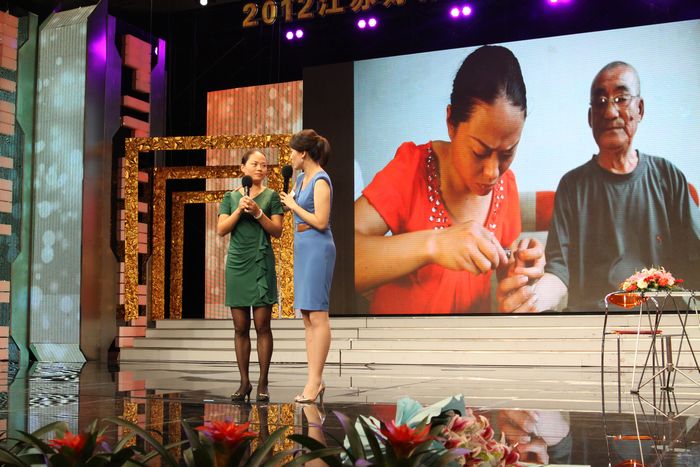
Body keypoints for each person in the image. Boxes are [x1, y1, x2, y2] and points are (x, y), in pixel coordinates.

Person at [354, 45, 545, 315]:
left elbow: (505, 272)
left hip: (465, 338)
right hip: (395, 337)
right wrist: (435, 243)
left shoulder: (507, 186)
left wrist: (520, 272)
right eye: (479, 151)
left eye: (507, 153)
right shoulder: (413, 168)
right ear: (451, 124)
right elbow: (336, 257)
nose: (493, 172)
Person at [535, 62, 700, 311]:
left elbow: (695, 257)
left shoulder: (668, 177)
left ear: (639, 109)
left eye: (621, 99)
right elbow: (558, 271)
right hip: (594, 323)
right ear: (590, 117)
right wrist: (532, 300)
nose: (610, 112)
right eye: (600, 102)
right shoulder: (572, 186)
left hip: (659, 321)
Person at [217, 149, 284, 401]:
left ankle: (263, 382)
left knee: (263, 325)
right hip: (237, 263)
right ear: (243, 168)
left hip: (261, 262)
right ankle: (244, 382)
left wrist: (257, 212)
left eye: (264, 165)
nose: (260, 169)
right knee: (240, 327)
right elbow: (221, 229)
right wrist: (239, 210)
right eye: (255, 164)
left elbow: (277, 230)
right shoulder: (230, 197)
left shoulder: (271, 196)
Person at [280, 129, 335, 403]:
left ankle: (315, 381)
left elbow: (321, 221)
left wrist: (293, 206)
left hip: (317, 248)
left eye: (292, 151)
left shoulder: (321, 180)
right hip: (303, 246)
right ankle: (314, 379)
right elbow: (290, 206)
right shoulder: (301, 179)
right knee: (307, 317)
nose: (290, 156)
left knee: (318, 316)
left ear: (303, 153)